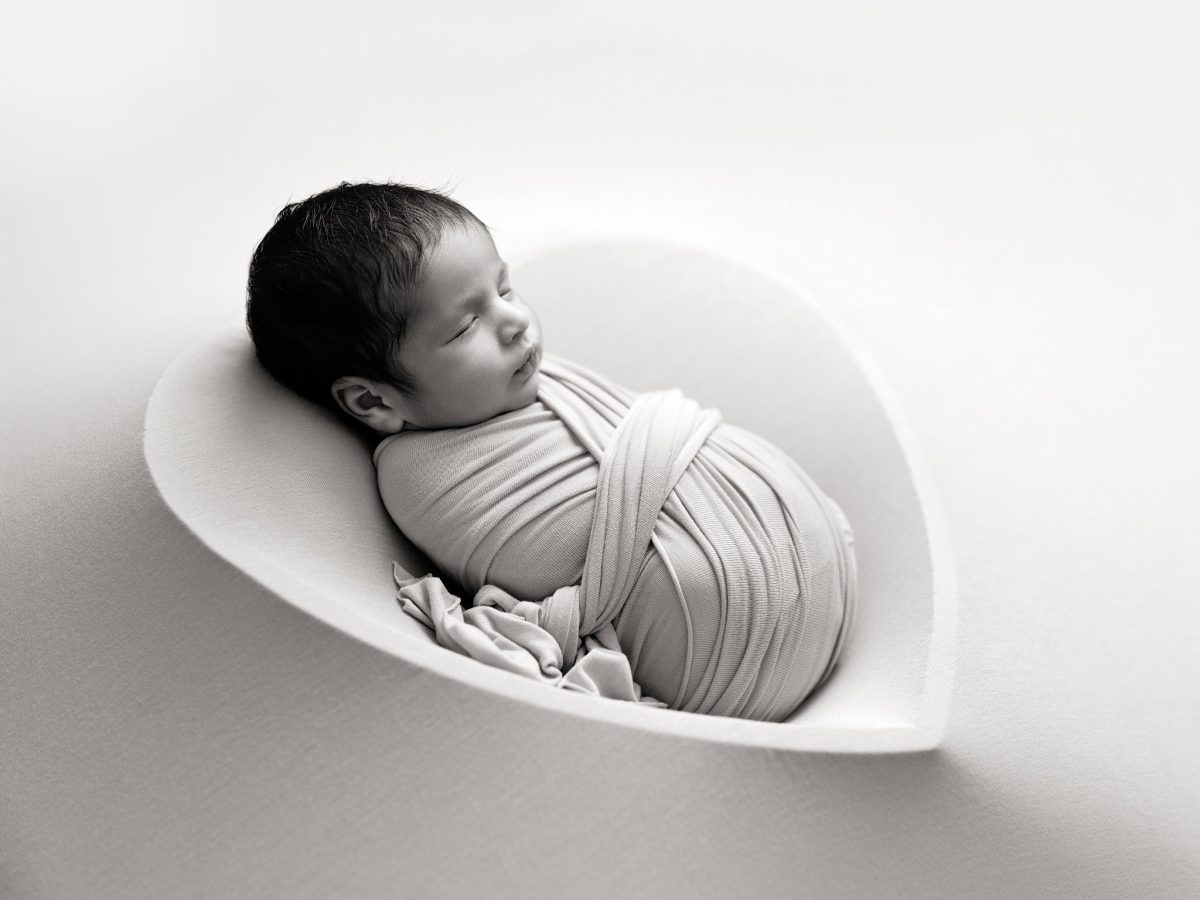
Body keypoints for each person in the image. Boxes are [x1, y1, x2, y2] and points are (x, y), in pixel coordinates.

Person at [246, 181, 856, 721]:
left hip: (803, 598)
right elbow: (543, 553)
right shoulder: (420, 475)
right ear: (372, 403)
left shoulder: (527, 380)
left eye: (505, 288)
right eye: (464, 328)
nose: (515, 322)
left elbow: (650, 443)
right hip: (731, 663)